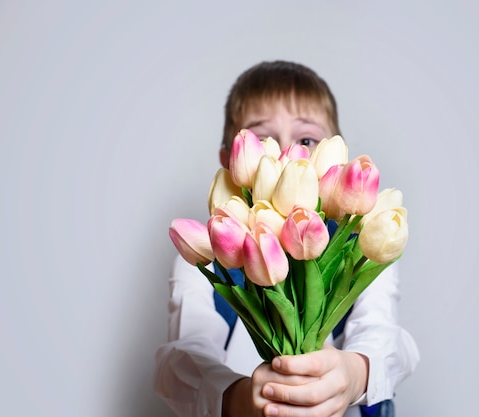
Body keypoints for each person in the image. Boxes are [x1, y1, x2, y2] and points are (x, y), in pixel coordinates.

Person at [154, 60, 420, 417]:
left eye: (306, 140)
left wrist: (355, 374)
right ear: (231, 162)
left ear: (336, 163)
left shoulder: (361, 243)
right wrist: (239, 398)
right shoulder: (214, 249)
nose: (283, 154)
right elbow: (180, 362)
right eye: (263, 140)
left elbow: (392, 341)